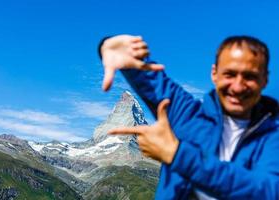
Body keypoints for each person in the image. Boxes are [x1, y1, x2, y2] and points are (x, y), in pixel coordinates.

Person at [98, 35, 279, 199]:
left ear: (265, 79)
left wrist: (177, 155)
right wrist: (110, 47)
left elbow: (267, 191)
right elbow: (147, 76)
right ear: (214, 73)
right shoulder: (186, 115)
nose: (238, 87)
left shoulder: (273, 137)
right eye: (229, 74)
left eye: (250, 76)